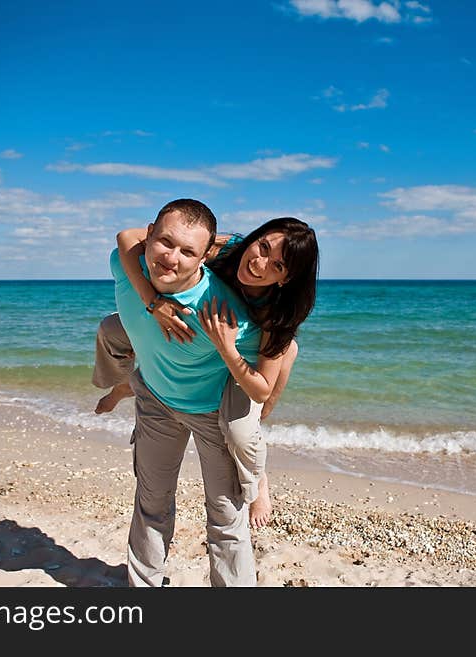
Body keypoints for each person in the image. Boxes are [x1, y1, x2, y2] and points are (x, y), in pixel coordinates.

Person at [93, 218, 319, 528]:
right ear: (254, 238)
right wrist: (153, 301)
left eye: (276, 266)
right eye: (262, 246)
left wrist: (228, 349)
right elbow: (127, 236)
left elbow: (262, 389)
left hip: (245, 349)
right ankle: (122, 387)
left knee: (245, 428)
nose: (259, 262)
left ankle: (259, 481)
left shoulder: (274, 311)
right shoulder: (228, 248)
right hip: (188, 325)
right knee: (110, 329)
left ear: (284, 279)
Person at [109, 198, 261, 587]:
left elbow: (265, 377)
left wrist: (257, 454)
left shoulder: (225, 312)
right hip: (156, 401)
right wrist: (153, 301)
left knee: (226, 518)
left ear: (206, 256)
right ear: (149, 236)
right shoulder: (126, 267)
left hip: (212, 413)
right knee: (151, 504)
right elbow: (123, 240)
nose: (171, 258)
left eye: (187, 251)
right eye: (164, 241)